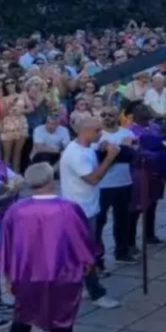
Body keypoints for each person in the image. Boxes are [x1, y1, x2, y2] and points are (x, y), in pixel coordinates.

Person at [0, 163, 97, 332]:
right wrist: (89, 261)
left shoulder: (16, 210)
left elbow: (9, 245)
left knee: (21, 320)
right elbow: (81, 239)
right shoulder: (68, 208)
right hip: (62, 274)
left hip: (26, 275)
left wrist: (10, 276)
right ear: (51, 180)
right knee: (62, 321)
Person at [58, 116, 121, 310]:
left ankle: (80, 285)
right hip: (80, 211)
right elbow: (93, 179)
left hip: (87, 207)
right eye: (98, 131)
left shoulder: (86, 146)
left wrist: (103, 147)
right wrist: (110, 158)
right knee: (86, 252)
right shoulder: (76, 155)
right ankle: (96, 293)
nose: (101, 133)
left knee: (82, 251)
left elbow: (96, 150)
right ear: (86, 132)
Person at [95, 106, 138, 268]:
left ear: (118, 116)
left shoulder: (127, 133)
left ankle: (122, 251)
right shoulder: (97, 135)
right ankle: (97, 258)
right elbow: (102, 158)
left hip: (124, 182)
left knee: (123, 220)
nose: (106, 117)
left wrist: (115, 152)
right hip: (103, 185)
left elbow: (132, 156)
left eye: (110, 115)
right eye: (103, 114)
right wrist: (123, 150)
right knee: (100, 221)